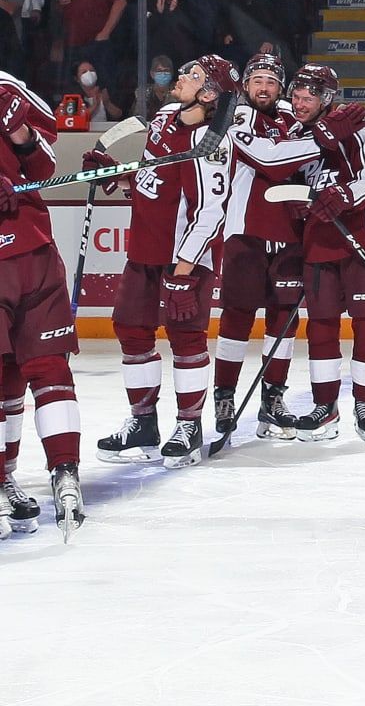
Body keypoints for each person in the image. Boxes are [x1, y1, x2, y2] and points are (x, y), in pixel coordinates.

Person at [92, 56, 237, 470]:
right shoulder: (164, 117)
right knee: (131, 329)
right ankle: (143, 423)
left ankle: (189, 426)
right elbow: (149, 178)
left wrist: (183, 272)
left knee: (186, 338)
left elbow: (211, 213)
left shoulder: (212, 144)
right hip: (143, 251)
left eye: (192, 77)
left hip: (183, 261)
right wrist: (115, 177)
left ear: (209, 95)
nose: (180, 79)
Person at [214, 55, 362, 440]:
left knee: (283, 320)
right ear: (245, 85)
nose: (263, 88)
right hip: (246, 231)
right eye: (256, 80)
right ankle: (224, 395)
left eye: (271, 81)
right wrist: (322, 136)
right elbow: (269, 160)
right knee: (237, 317)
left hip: (291, 235)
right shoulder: (238, 117)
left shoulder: (294, 117)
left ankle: (273, 398)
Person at [0, 72, 85, 538]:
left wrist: (22, 137)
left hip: (33, 256)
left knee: (48, 367)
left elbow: (46, 169)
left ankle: (65, 471)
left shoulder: (8, 87)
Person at [288, 64, 365, 442]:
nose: (299, 104)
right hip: (319, 242)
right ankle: (325, 405)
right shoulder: (296, 136)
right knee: (322, 324)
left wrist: (344, 196)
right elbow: (289, 180)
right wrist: (297, 204)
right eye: (296, 97)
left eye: (307, 97)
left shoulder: (357, 127)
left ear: (326, 99)